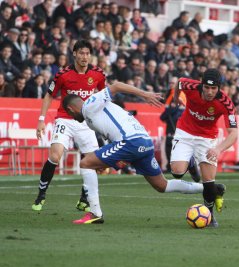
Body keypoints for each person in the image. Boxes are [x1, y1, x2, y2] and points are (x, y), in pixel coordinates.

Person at [62, 81, 207, 224]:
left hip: (130, 141)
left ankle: (94, 213)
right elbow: (112, 138)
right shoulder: (90, 119)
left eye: (70, 115)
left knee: (85, 163)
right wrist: (106, 162)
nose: (73, 118)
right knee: (162, 185)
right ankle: (208, 188)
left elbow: (117, 86)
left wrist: (144, 95)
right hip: (143, 141)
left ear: (70, 109)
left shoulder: (89, 105)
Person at [32, 40, 106, 214]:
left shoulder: (98, 74)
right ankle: (41, 195)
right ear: (74, 54)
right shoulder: (63, 74)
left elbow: (104, 96)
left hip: (86, 122)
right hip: (65, 120)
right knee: (55, 156)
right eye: (81, 53)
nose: (84, 57)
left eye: (87, 53)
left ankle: (83, 200)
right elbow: (49, 96)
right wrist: (41, 119)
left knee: (92, 162)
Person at [170, 69, 238, 227]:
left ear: (219, 88)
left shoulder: (226, 103)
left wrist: (219, 149)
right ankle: (191, 164)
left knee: (208, 181)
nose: (209, 92)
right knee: (177, 172)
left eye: (214, 89)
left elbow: (233, 133)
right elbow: (179, 82)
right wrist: (175, 98)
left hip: (207, 138)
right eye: (206, 88)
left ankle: (209, 215)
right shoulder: (191, 87)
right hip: (185, 131)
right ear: (201, 85)